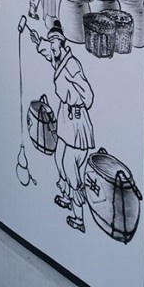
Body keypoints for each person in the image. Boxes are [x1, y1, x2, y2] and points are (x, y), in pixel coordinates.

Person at [29, 20, 95, 233]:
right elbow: (47, 52)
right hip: (65, 122)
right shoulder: (59, 60)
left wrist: (75, 100)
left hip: (76, 125)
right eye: (50, 43)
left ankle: (79, 217)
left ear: (62, 43)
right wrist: (37, 40)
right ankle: (67, 197)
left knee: (70, 167)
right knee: (59, 159)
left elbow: (87, 94)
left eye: (54, 43)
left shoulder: (72, 65)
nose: (51, 47)